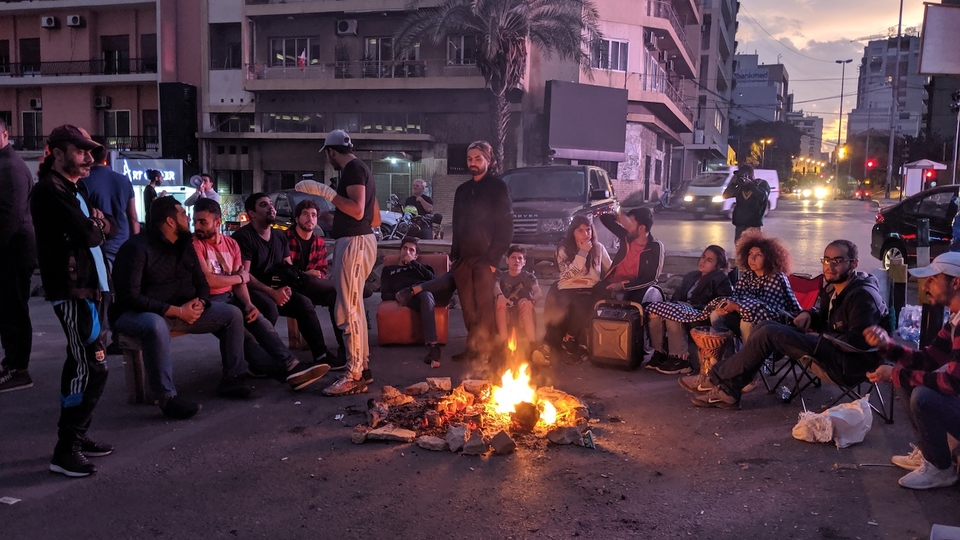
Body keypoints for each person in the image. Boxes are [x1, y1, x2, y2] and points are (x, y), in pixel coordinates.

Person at [681, 240, 888, 411]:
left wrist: (821, 338)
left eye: (838, 261)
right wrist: (809, 313)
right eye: (826, 260)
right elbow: (828, 318)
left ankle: (714, 377)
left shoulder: (862, 296)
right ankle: (729, 391)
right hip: (828, 347)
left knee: (770, 332)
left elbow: (860, 343)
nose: (830, 266)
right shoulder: (833, 288)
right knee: (764, 326)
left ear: (854, 264)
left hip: (846, 364)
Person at [112, 196, 252, 421]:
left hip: (183, 310)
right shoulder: (136, 248)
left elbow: (202, 284)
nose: (188, 219)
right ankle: (167, 398)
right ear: (169, 221)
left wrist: (201, 302)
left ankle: (233, 378)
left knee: (232, 314)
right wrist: (176, 311)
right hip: (136, 315)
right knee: (155, 325)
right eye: (182, 215)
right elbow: (130, 297)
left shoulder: (185, 246)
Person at [30, 125, 116, 477]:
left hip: (93, 288)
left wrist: (97, 225)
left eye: (90, 151)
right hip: (74, 291)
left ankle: (77, 437)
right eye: (81, 151)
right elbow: (89, 233)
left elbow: (105, 224)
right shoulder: (49, 191)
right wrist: (95, 226)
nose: (89, 158)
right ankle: (66, 448)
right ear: (59, 152)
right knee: (92, 367)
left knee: (80, 364)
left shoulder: (74, 187)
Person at [191, 198, 329, 390]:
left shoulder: (231, 244)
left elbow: (244, 280)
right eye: (195, 221)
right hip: (211, 299)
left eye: (202, 222)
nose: (196, 226)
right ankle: (285, 370)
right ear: (252, 213)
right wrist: (241, 280)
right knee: (245, 323)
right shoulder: (197, 244)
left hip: (232, 297)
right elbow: (213, 281)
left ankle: (295, 364)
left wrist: (248, 303)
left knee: (258, 318)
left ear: (217, 222)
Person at [863, 251, 960, 490]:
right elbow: (928, 359)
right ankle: (930, 453)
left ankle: (941, 468)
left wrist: (894, 374)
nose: (925, 286)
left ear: (956, 282)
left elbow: (952, 383)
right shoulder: (955, 319)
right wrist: (888, 347)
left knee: (923, 395)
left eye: (933, 279)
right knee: (908, 379)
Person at [295, 129, 378, 396]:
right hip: (359, 239)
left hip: (354, 243)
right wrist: (339, 217)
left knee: (347, 309)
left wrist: (327, 193)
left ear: (331, 151)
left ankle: (354, 374)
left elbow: (356, 209)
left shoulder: (353, 169)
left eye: (327, 154)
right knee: (352, 306)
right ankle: (361, 369)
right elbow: (372, 217)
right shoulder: (361, 169)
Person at [231, 193, 338, 367]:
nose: (271, 207)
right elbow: (245, 276)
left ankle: (320, 355)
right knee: (269, 307)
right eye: (264, 205)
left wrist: (288, 288)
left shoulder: (278, 236)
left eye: (271, 204)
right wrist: (273, 293)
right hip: (254, 291)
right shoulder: (244, 237)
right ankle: (261, 361)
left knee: (304, 303)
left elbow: (288, 268)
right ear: (252, 213)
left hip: (278, 288)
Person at [449, 140, 513, 362]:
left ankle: (488, 350)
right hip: (463, 260)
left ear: (488, 160)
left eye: (478, 158)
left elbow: (506, 226)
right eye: (470, 159)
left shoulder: (497, 187)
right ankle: (473, 347)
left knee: (485, 306)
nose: (473, 163)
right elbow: (456, 225)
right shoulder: (462, 190)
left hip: (486, 259)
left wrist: (493, 259)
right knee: (468, 307)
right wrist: (454, 257)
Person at [535, 216, 612, 365]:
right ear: (573, 232)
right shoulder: (563, 248)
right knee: (556, 303)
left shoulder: (598, 248)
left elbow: (610, 269)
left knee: (582, 303)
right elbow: (567, 274)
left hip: (588, 288)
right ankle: (549, 345)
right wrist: (582, 253)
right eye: (580, 230)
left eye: (588, 229)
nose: (585, 234)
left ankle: (570, 338)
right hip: (567, 286)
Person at [645, 245, 733, 375]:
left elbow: (721, 302)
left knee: (673, 314)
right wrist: (677, 304)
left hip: (700, 314)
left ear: (718, 265)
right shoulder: (691, 276)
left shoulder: (720, 279)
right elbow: (678, 294)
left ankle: (680, 359)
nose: (702, 261)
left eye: (709, 260)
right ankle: (660, 352)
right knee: (654, 312)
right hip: (683, 308)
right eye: (703, 257)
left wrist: (687, 307)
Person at [0, 118, 38, 393]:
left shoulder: (10, 167)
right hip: (11, 250)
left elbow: (9, 217)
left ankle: (18, 369)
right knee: (8, 309)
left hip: (13, 251)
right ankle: (12, 363)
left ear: (5, 134)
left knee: (13, 309)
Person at [706, 232, 800, 343]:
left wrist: (738, 307)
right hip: (745, 317)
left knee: (747, 322)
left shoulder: (776, 277)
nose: (752, 258)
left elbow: (769, 313)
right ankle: (729, 357)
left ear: (769, 258)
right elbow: (736, 297)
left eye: (759, 255)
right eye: (750, 254)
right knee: (716, 315)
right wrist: (725, 306)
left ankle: (749, 358)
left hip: (775, 325)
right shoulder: (748, 276)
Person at [285, 198, 343, 360]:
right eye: (305, 214)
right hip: (291, 286)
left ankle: (344, 347)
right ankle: (321, 353)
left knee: (336, 297)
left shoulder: (318, 241)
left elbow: (321, 270)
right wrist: (306, 274)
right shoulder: (285, 238)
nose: (310, 218)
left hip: (311, 286)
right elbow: (284, 270)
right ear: (297, 218)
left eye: (313, 215)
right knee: (325, 288)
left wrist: (314, 276)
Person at [381, 236, 447, 365]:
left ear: (416, 256)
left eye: (412, 250)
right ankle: (434, 346)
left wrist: (413, 263)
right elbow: (384, 294)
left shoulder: (423, 267)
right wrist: (399, 295)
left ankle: (433, 346)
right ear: (400, 251)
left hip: (423, 293)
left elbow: (434, 282)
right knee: (421, 295)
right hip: (405, 296)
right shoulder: (389, 270)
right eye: (405, 248)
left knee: (426, 295)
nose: (407, 252)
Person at [81, 145, 140, 265]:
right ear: (105, 156)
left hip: (100, 245)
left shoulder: (83, 182)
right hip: (123, 244)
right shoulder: (124, 180)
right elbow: (133, 217)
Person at [598, 207, 664, 303]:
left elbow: (651, 278)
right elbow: (604, 218)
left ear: (641, 228)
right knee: (590, 300)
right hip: (611, 282)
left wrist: (622, 285)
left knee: (631, 309)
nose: (625, 226)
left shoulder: (655, 246)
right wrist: (618, 217)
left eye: (630, 223)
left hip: (633, 288)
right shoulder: (626, 236)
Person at [495, 245, 542, 361]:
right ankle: (504, 344)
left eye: (520, 258)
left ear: (524, 262)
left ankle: (532, 345)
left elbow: (538, 292)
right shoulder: (501, 275)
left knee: (524, 302)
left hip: (523, 315)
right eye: (513, 257)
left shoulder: (529, 277)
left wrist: (532, 302)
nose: (517, 261)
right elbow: (495, 286)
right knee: (500, 303)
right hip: (505, 315)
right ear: (507, 260)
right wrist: (500, 296)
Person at [723, 164, 770, 243]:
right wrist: (733, 184)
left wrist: (750, 185)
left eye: (743, 175)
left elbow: (763, 197)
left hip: (754, 226)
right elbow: (725, 195)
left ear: (750, 175)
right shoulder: (740, 187)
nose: (742, 178)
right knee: (739, 251)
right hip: (740, 225)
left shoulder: (762, 184)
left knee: (753, 250)